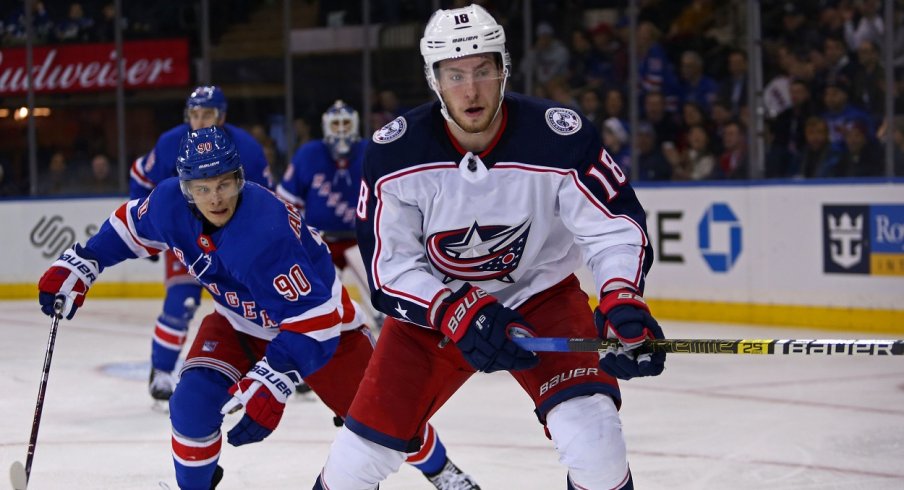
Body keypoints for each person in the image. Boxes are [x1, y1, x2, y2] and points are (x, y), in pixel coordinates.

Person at [314, 5, 665, 489]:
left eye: (483, 70)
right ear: (434, 79)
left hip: (539, 300)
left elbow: (613, 227)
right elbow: (387, 266)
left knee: (597, 446)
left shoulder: (557, 136)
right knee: (355, 466)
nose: (471, 90)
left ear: (504, 69)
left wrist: (622, 295)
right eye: (455, 74)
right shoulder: (396, 153)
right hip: (432, 317)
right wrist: (455, 309)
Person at [37, 127, 481, 490]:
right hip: (240, 325)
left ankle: (440, 469)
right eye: (203, 187)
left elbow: (317, 316)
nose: (216, 198)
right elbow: (130, 226)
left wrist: (276, 378)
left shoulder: (264, 234)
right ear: (186, 186)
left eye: (225, 183)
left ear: (239, 178)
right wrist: (85, 261)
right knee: (190, 405)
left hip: (325, 335)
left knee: (387, 424)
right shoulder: (172, 201)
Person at [129, 86, 273, 402]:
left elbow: (267, 197)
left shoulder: (246, 147)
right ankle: (163, 371)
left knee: (254, 304)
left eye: (207, 113)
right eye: (195, 113)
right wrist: (144, 230)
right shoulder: (171, 142)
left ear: (221, 116)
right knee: (182, 301)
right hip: (186, 236)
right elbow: (140, 175)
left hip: (235, 240)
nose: (200, 120)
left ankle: (275, 367)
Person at [277, 100, 364, 270]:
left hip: (362, 245)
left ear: (355, 124)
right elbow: (286, 204)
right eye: (335, 124)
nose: (340, 129)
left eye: (346, 123)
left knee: (371, 294)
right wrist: (302, 240)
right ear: (326, 126)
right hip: (320, 244)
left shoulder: (370, 152)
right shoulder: (308, 154)